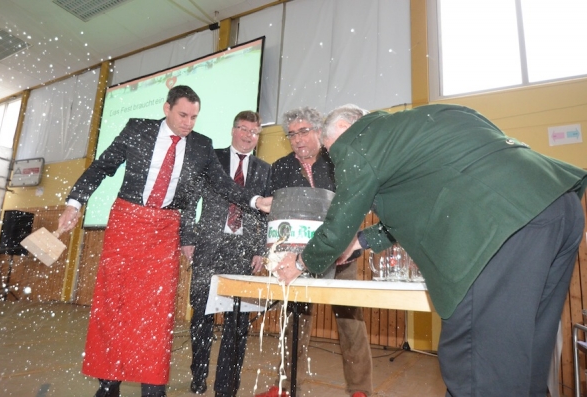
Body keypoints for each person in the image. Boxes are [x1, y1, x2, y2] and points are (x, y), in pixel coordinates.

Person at [274, 103, 587, 396]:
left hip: (497, 229)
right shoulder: (429, 120)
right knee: (523, 356)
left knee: (477, 363)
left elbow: (337, 224)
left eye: (330, 149)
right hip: (557, 205)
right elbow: (418, 208)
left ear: (343, 129)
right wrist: (360, 242)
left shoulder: (357, 141)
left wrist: (301, 262)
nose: (335, 158)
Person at [57, 86, 270, 397]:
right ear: (167, 108)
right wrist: (75, 203)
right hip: (127, 222)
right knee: (113, 305)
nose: (188, 123)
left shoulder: (200, 146)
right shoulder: (137, 129)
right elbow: (102, 167)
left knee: (156, 312)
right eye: (183, 115)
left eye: (194, 117)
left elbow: (223, 184)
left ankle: (152, 383)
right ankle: (108, 382)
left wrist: (254, 200)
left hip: (164, 230)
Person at [254, 107, 372, 397]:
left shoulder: (337, 159)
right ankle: (285, 387)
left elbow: (357, 201)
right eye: (292, 134)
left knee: (351, 325)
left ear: (320, 132)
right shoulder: (280, 167)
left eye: (304, 131)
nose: (297, 139)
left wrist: (350, 243)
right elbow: (272, 216)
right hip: (297, 262)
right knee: (294, 325)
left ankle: (360, 390)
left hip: (342, 258)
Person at [189, 111, 272, 396]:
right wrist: (188, 238)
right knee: (202, 315)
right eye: (244, 129)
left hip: (243, 251)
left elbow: (265, 215)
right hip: (208, 247)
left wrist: (260, 248)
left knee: (237, 323)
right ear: (233, 130)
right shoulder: (212, 158)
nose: (249, 136)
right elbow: (190, 198)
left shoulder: (265, 169)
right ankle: (198, 374)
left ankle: (226, 385)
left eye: (255, 132)